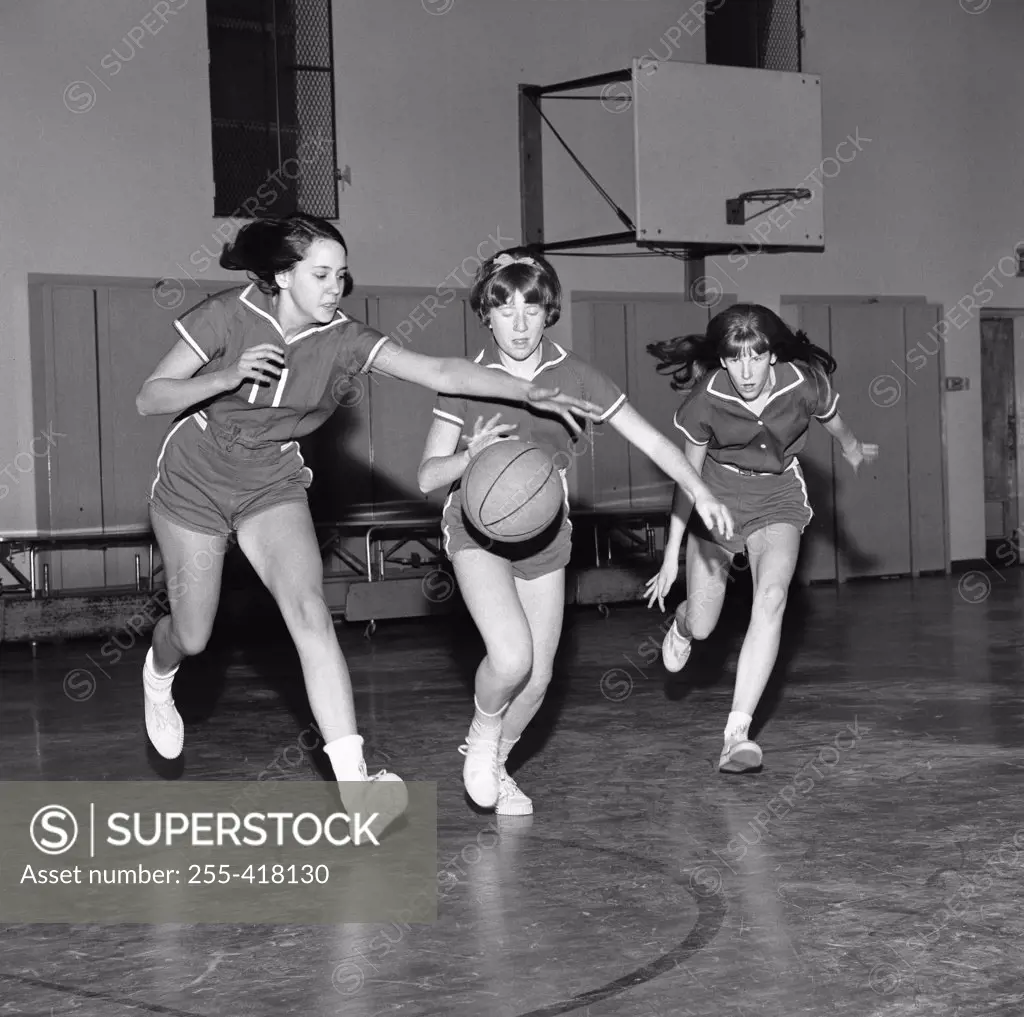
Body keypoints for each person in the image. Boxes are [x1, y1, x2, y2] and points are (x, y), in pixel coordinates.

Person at [136, 215, 604, 836]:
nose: (336, 286)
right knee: (192, 636)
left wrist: (528, 395)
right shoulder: (227, 315)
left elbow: (441, 373)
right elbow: (150, 398)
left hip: (271, 481)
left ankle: (355, 786)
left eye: (342, 275)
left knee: (309, 614)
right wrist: (227, 375)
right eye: (321, 274)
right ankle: (158, 672)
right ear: (283, 276)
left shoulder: (346, 338)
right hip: (196, 477)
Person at [417, 249, 735, 816]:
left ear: (550, 312)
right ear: (485, 315)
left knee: (538, 682)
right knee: (511, 659)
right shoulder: (466, 380)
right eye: (504, 308)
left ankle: (499, 761)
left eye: (531, 307)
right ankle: (483, 734)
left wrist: (703, 490)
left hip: (544, 537)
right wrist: (471, 456)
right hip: (476, 529)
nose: (518, 322)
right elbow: (426, 476)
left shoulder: (579, 375)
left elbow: (657, 443)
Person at [644, 303, 879, 774]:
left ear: (771, 354)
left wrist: (853, 449)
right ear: (723, 359)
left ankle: (736, 734)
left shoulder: (804, 384)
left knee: (771, 598)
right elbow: (687, 479)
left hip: (778, 499)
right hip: (717, 500)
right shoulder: (704, 400)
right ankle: (684, 626)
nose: (746, 370)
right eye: (735, 359)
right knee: (706, 623)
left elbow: (836, 424)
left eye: (756, 356)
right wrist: (670, 554)